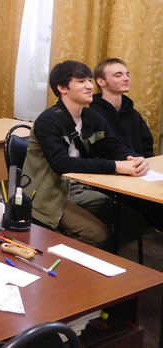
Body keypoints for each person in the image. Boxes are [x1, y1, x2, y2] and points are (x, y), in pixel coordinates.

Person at [21, 60, 148, 250]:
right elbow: (62, 164)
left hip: (80, 189)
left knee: (136, 223)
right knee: (97, 235)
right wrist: (115, 166)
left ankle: (94, 256)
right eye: (81, 81)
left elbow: (113, 146)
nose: (89, 86)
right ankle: (66, 256)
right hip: (49, 194)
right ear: (62, 88)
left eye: (89, 80)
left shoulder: (92, 117)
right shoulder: (47, 121)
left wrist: (133, 159)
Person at [90, 58, 154, 158]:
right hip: (112, 166)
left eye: (127, 75)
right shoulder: (93, 114)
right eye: (118, 75)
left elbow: (147, 147)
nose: (126, 79)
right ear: (101, 82)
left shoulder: (133, 114)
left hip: (141, 165)